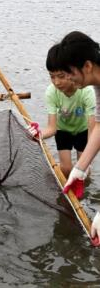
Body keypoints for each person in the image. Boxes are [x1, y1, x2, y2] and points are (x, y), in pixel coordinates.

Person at [46, 31, 100, 244]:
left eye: (69, 73)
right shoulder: (96, 84)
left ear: (87, 66)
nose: (67, 80)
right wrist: (80, 168)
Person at [37, 45, 95, 177]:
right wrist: (37, 135)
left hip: (83, 131)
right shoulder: (51, 92)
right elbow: (52, 128)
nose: (56, 82)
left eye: (61, 76)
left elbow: (93, 132)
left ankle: (83, 189)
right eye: (52, 77)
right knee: (66, 169)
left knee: (84, 171)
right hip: (63, 131)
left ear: (72, 72)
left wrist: (85, 162)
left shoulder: (87, 92)